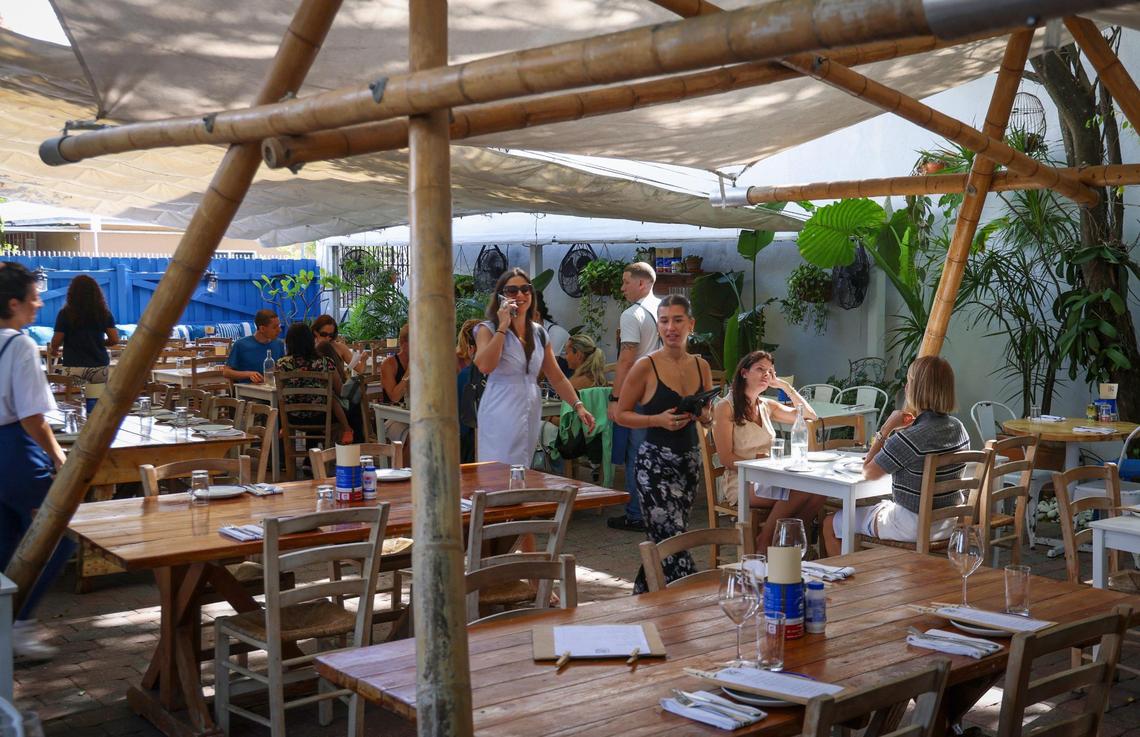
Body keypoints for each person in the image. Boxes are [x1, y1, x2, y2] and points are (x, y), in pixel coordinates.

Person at [822, 356, 969, 557]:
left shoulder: (910, 438)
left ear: (917, 389)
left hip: (910, 526)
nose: (906, 386)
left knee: (831, 523)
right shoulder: (959, 429)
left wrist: (886, 428)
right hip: (947, 524)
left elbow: (868, 472)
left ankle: (847, 576)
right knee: (874, 510)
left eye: (909, 381)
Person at [615, 295, 712, 593]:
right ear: (658, 326)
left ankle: (643, 595)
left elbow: (708, 416)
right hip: (654, 465)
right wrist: (656, 420)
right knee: (672, 540)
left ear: (691, 324)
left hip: (689, 462)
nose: (671, 327)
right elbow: (620, 414)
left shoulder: (701, 366)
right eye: (665, 321)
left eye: (678, 320)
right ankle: (693, 595)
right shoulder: (645, 366)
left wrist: (704, 415)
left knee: (666, 538)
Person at [0, 262, 70, 660]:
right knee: (58, 536)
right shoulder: (20, 345)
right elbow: (31, 416)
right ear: (14, 303)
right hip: (15, 452)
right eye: (34, 297)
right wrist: (58, 455)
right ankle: (21, 624)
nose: (39, 304)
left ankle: (6, 625)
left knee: (6, 540)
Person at [473, 268, 594, 467]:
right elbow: (485, 365)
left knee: (522, 465)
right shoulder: (488, 329)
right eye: (512, 290)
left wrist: (578, 406)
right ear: (501, 295)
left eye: (525, 289)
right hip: (500, 404)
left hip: (530, 404)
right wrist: (503, 327)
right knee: (497, 467)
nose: (520, 295)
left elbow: (557, 376)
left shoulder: (539, 333)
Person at [711, 351, 820, 553]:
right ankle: (765, 542)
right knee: (799, 490)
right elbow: (725, 458)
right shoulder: (725, 407)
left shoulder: (766, 405)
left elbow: (809, 416)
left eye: (770, 371)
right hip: (742, 480)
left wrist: (784, 386)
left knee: (819, 492)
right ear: (744, 373)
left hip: (771, 476)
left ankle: (790, 543)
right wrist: (756, 461)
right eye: (760, 369)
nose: (766, 375)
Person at [607, 261, 661, 532]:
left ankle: (637, 514)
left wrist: (616, 399)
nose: (622, 288)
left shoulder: (632, 314)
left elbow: (626, 358)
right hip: (663, 389)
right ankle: (657, 509)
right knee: (657, 451)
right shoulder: (665, 308)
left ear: (642, 283)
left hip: (638, 392)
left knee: (636, 453)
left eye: (626, 282)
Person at [49, 275, 118, 410]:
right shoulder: (104, 313)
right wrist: (99, 343)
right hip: (98, 366)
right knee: (96, 403)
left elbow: (56, 340)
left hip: (73, 365)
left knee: (74, 403)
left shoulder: (65, 314)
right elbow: (114, 339)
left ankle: (76, 421)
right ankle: (94, 420)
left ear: (72, 293)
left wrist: (55, 349)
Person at [276, 322, 353, 444]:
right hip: (321, 416)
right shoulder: (325, 362)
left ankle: (282, 430)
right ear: (311, 340)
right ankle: (345, 432)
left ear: (289, 342)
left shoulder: (281, 364)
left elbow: (278, 390)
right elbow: (340, 391)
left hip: (292, 417)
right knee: (332, 397)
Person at [313, 316, 364, 442]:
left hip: (338, 393)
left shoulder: (339, 347)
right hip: (320, 397)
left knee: (354, 400)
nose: (328, 338)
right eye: (324, 334)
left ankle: (356, 442)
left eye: (331, 335)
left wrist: (363, 359)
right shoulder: (310, 350)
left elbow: (359, 369)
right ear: (315, 332)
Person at [222, 309, 284, 384]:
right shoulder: (241, 345)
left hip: (273, 388)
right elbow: (226, 372)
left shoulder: (279, 344)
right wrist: (248, 374)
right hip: (248, 389)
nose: (279, 330)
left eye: (279, 326)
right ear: (262, 329)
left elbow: (284, 369)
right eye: (274, 327)